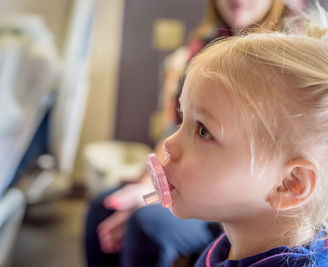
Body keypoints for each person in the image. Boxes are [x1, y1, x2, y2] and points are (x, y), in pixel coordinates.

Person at [161, 4, 328, 267]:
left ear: (288, 184)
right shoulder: (231, 246)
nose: (169, 144)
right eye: (184, 119)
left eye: (204, 131)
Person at [84, 1, 306, 266]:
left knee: (147, 223)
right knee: (105, 207)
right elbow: (173, 131)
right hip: (192, 180)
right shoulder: (198, 51)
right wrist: (147, 186)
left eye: (203, 130)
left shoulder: (292, 62)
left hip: (236, 195)